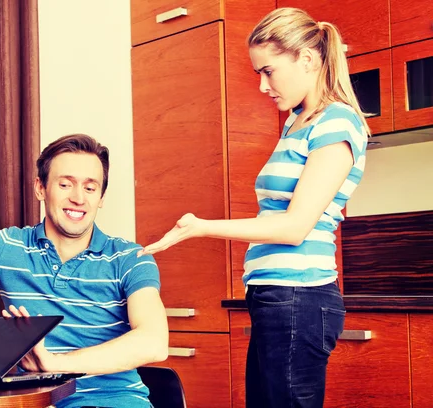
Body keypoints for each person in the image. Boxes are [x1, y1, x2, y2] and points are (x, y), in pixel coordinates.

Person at [138, 7, 369, 408]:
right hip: (274, 295)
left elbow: (295, 227)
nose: (263, 86)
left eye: (268, 71)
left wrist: (202, 226)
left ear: (308, 60)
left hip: (300, 296)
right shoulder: (297, 121)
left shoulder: (337, 123)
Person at [0, 134, 169, 408]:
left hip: (111, 401)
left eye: (90, 188)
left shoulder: (131, 258)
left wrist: (56, 364)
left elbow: (153, 341)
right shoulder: (4, 246)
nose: (78, 198)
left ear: (100, 198)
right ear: (40, 188)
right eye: (65, 184)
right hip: (30, 401)